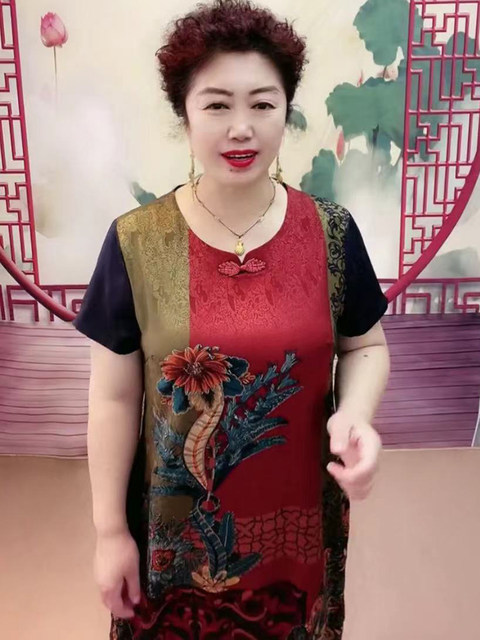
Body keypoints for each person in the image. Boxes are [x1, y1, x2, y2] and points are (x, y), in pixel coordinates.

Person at [73, 0, 390, 637]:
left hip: (299, 531)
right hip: (172, 543)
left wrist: (355, 414)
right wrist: (109, 532)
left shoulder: (331, 233)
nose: (241, 128)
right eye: (217, 105)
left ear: (285, 110)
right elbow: (113, 398)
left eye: (262, 104)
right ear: (184, 113)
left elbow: (365, 346)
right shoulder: (137, 242)